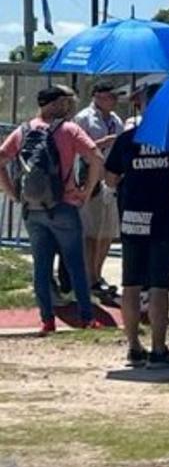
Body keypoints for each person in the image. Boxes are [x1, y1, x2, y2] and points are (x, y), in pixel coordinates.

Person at [0, 86, 103, 335]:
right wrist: (86, 191)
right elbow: (96, 157)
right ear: (55, 104)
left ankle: (47, 320)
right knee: (76, 264)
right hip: (64, 205)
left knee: (41, 266)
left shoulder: (23, 131)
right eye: (65, 102)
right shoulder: (68, 129)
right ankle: (87, 317)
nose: (67, 107)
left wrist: (12, 192)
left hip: (32, 208)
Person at [103, 83, 169, 367]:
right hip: (168, 216)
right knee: (160, 286)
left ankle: (133, 346)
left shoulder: (127, 139)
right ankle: (159, 348)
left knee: (131, 283)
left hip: (133, 216)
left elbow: (111, 178)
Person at [74, 81, 124, 300]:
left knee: (107, 232)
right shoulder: (84, 118)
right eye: (110, 96)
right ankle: (88, 277)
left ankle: (97, 275)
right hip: (90, 180)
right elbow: (77, 148)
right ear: (97, 96)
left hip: (111, 180)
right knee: (90, 233)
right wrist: (102, 143)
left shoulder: (116, 120)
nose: (114, 100)